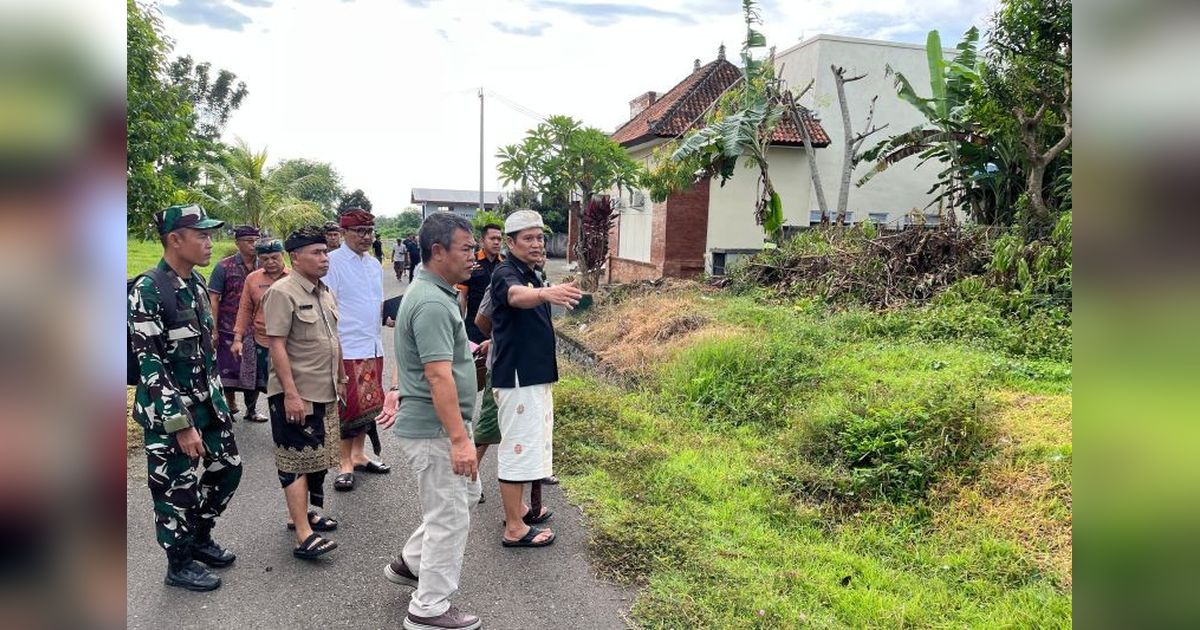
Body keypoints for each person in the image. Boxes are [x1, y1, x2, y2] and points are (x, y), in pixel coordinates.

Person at [128, 204, 243, 591]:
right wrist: (181, 425)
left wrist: (219, 406)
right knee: (175, 489)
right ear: (175, 240)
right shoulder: (148, 289)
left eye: (211, 235)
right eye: (203, 236)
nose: (210, 243)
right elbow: (151, 366)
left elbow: (204, 354)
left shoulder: (194, 284)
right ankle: (178, 563)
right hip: (169, 413)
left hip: (206, 403)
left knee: (228, 469)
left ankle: (198, 536)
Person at [376, 211, 482, 630]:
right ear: (437, 251)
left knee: (464, 498)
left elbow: (439, 364)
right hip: (439, 429)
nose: (472, 256)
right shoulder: (433, 301)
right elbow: (437, 375)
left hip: (442, 424)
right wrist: (459, 440)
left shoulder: (434, 291)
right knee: (449, 515)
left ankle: (411, 563)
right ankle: (430, 607)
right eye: (466, 248)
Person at [489, 209, 582, 548]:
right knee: (517, 450)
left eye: (540, 237)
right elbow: (514, 296)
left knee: (529, 446)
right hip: (518, 377)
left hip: (535, 376)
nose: (537, 243)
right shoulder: (505, 272)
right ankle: (514, 527)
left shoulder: (532, 271)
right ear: (510, 242)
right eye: (527, 238)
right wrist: (544, 294)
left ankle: (520, 509)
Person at [261, 226, 344, 560]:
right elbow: (276, 345)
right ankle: (302, 534)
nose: (325, 258)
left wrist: (340, 376)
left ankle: (306, 512)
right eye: (317, 253)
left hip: (324, 388)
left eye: (325, 252)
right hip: (296, 391)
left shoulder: (324, 291)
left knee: (317, 458)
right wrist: (291, 394)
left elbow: (332, 338)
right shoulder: (283, 292)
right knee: (295, 458)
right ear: (295, 258)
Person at [325, 208, 391, 492]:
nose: (366, 237)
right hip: (348, 347)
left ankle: (359, 454)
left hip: (373, 344)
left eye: (370, 231)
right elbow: (329, 308)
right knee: (348, 406)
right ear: (343, 233)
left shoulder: (374, 265)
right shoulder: (332, 263)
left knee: (370, 404)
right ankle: (344, 463)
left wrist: (387, 317)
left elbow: (375, 303)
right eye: (360, 232)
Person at [230, 238, 289, 422]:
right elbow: (245, 309)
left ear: (283, 256)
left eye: (274, 257)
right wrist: (237, 339)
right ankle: (251, 410)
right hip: (261, 340)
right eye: (264, 259)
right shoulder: (253, 279)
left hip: (290, 341)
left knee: (286, 382)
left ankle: (286, 418)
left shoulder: (295, 277)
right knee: (255, 379)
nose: (270, 262)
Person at [208, 225, 262, 421]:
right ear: (237, 243)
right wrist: (214, 329)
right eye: (248, 241)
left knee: (255, 371)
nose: (253, 244)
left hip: (257, 328)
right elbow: (213, 298)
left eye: (256, 240)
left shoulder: (264, 266)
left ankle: (252, 409)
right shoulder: (223, 267)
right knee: (228, 369)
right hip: (228, 326)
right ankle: (231, 405)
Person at [455, 223, 504, 344]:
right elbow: (462, 297)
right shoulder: (471, 262)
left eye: (499, 239)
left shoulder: (505, 264)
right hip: (474, 325)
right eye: (492, 238)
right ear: (482, 241)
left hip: (500, 324)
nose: (497, 242)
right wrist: (459, 323)